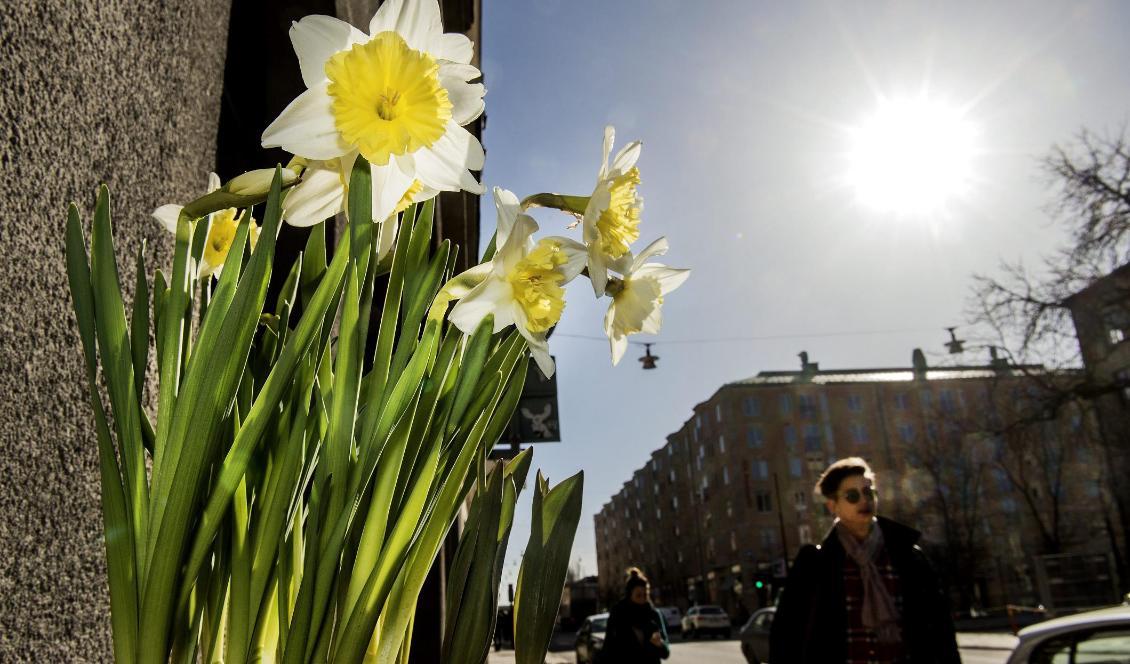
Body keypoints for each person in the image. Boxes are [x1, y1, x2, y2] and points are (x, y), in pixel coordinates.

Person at [769, 457, 960, 663]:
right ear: (833, 506)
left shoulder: (909, 556)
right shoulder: (814, 564)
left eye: (868, 492)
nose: (864, 500)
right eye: (852, 495)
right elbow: (787, 636)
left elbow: (941, 630)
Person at [598, 567, 670, 663]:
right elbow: (608, 647)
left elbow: (666, 653)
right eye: (638, 595)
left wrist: (660, 644)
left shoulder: (653, 615)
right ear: (629, 595)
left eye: (645, 595)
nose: (642, 599)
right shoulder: (618, 614)